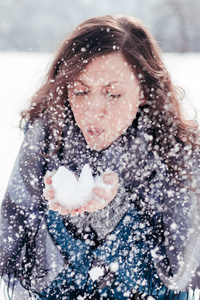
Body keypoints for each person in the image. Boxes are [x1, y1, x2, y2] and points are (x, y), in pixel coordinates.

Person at [0, 14, 200, 300]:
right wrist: (65, 223)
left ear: (143, 90)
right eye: (80, 91)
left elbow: (179, 277)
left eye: (113, 94)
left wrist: (114, 216)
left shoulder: (176, 153)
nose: (94, 109)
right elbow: (20, 264)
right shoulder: (47, 140)